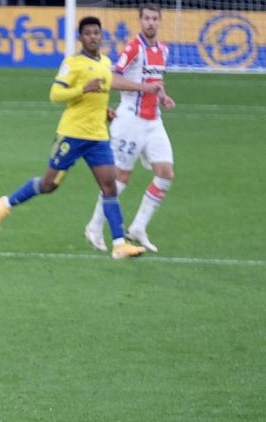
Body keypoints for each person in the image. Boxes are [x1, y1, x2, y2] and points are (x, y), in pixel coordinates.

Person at [0, 16, 163, 261]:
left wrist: (105, 111)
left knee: (109, 186)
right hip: (72, 135)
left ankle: (119, 244)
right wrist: (83, 89)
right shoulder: (73, 63)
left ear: (101, 36)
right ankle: (5, 204)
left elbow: (98, 96)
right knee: (49, 185)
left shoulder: (106, 62)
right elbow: (55, 94)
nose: (93, 37)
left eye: (96, 33)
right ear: (81, 38)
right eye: (88, 33)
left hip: (98, 137)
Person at [84, 3, 176, 253]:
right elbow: (113, 79)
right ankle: (94, 227)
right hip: (130, 121)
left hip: (153, 120)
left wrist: (162, 96)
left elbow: (156, 81)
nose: (150, 23)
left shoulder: (163, 50)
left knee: (166, 173)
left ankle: (138, 228)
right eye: (146, 18)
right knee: (119, 177)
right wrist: (144, 88)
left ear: (160, 21)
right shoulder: (134, 47)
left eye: (154, 19)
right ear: (140, 20)